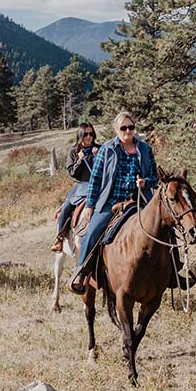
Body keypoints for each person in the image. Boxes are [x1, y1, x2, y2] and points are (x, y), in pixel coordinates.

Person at [68, 112, 158, 295]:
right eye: (123, 128)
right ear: (116, 130)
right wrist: (90, 206)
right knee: (92, 233)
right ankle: (81, 272)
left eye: (131, 127)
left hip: (139, 201)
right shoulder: (107, 149)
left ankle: (174, 272)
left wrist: (145, 182)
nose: (128, 131)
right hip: (111, 202)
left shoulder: (145, 149)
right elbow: (96, 178)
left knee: (165, 228)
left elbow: (154, 177)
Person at [51, 124, 99, 252]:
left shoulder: (99, 149)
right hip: (80, 185)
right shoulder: (73, 151)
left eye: (91, 134)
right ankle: (59, 237)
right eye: (86, 134)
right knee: (66, 207)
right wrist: (79, 160)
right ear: (80, 135)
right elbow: (72, 172)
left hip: (97, 184)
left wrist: (98, 156)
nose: (89, 137)